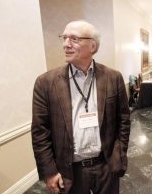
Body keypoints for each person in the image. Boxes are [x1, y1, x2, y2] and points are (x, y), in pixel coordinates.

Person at [31, 20, 131, 194]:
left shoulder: (113, 78)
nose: (66, 44)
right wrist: (49, 172)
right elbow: (40, 132)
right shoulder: (45, 83)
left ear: (93, 46)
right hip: (68, 171)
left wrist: (119, 153)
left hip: (106, 166)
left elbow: (124, 120)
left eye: (74, 39)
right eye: (64, 38)